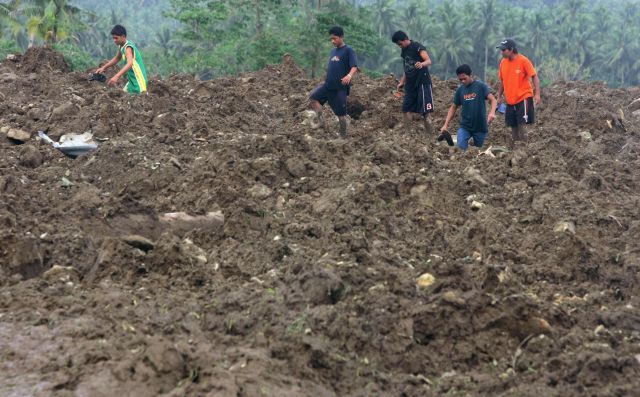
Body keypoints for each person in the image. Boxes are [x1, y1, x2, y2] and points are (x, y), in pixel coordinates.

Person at [309, 26, 358, 138]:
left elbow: (354, 66)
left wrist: (349, 76)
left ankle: (343, 136)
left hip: (340, 88)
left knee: (341, 115)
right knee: (313, 98)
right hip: (328, 85)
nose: (332, 41)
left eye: (335, 38)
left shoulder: (348, 50)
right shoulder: (333, 51)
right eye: (331, 39)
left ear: (341, 37)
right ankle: (320, 121)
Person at [440, 64, 497, 151]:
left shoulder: (480, 86)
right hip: (465, 126)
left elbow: (493, 100)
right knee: (461, 149)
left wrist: (492, 112)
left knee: (479, 152)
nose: (462, 81)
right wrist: (445, 124)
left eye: (464, 78)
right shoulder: (460, 90)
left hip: (480, 127)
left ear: (470, 75)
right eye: (460, 79)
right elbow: (453, 107)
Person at [496, 39, 540, 146]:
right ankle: (515, 149)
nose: (502, 52)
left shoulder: (523, 61)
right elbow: (502, 81)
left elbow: (534, 76)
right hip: (510, 100)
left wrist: (537, 94)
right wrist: (499, 96)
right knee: (513, 126)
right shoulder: (503, 63)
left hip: (523, 97)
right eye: (501, 50)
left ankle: (525, 148)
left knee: (522, 124)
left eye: (504, 50)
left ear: (511, 50)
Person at [391, 30, 434, 135]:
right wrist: (402, 81)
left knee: (426, 113)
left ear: (406, 39)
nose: (400, 46)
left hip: (422, 82)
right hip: (410, 84)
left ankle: (431, 138)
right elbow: (407, 68)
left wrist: (422, 64)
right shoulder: (404, 51)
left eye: (400, 44)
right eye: (398, 45)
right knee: (406, 109)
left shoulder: (417, 46)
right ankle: (408, 137)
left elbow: (428, 61)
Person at [96, 25, 148, 94]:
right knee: (122, 97)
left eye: (116, 38)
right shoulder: (121, 46)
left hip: (138, 80)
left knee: (139, 100)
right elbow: (117, 58)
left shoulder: (128, 48)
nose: (114, 40)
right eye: (113, 38)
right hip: (131, 80)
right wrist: (104, 67)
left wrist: (117, 76)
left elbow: (130, 63)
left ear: (123, 36)